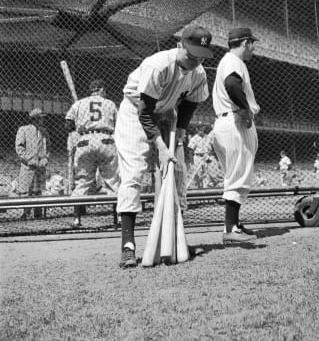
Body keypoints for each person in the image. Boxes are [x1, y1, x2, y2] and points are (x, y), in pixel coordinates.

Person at [115, 25, 213, 268]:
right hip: (134, 113)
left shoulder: (198, 72)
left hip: (168, 114)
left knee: (177, 173)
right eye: (190, 55)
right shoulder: (157, 65)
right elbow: (145, 112)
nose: (195, 61)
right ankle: (128, 245)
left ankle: (174, 238)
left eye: (200, 56)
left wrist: (179, 134)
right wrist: (160, 146)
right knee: (135, 173)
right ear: (179, 45)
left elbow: (190, 104)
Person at [211, 27, 260, 244]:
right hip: (235, 121)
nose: (253, 48)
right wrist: (245, 109)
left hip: (227, 121)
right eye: (252, 44)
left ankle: (234, 225)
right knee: (238, 177)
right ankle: (230, 229)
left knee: (236, 174)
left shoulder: (230, 61)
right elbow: (232, 85)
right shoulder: (233, 60)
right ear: (246, 42)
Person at [65, 79, 120, 227]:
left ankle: (76, 219)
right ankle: (118, 219)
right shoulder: (110, 103)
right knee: (112, 181)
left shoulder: (79, 103)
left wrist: (79, 129)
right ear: (101, 89)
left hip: (85, 141)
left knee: (82, 182)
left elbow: (68, 124)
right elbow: (119, 124)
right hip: (106, 140)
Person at [15, 108, 50, 220]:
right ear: (35, 118)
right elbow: (19, 148)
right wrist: (29, 160)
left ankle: (38, 214)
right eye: (41, 118)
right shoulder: (23, 130)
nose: (43, 120)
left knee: (38, 190)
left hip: (40, 166)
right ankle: (26, 213)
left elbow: (48, 148)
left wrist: (45, 159)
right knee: (26, 190)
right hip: (28, 166)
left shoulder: (44, 131)